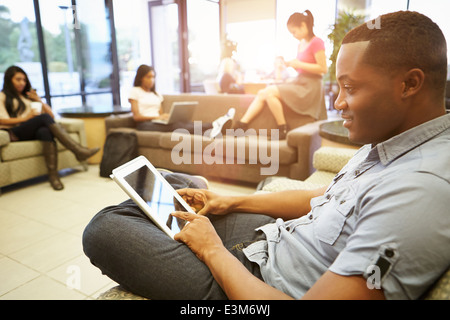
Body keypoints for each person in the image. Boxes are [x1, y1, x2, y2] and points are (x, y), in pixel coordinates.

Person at [83, 11, 450, 300]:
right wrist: (232, 201)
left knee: (104, 229)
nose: (338, 104)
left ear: (410, 84)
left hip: (254, 280)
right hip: (272, 237)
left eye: (350, 88)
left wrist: (213, 251)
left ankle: (181, 203)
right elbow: (326, 197)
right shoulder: (389, 141)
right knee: (171, 180)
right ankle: (192, 190)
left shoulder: (420, 192)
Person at [0, 66, 99, 190]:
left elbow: (51, 115)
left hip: (30, 131)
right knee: (43, 118)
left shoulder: (26, 97)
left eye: (24, 80)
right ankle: (78, 151)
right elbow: (2, 120)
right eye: (18, 79)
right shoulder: (2, 96)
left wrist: (38, 100)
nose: (22, 83)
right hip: (14, 132)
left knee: (45, 131)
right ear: (9, 80)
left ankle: (53, 177)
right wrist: (26, 118)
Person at [234, 10, 328, 139]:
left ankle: (282, 128)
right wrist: (291, 65)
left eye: (294, 32)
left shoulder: (317, 42)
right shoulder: (300, 44)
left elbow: (323, 69)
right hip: (300, 80)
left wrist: (299, 64)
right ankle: (242, 125)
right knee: (263, 93)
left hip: (311, 86)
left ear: (303, 25)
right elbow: (303, 68)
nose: (293, 35)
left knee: (269, 92)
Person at [129, 64, 234, 139]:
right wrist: (157, 117)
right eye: (148, 77)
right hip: (144, 125)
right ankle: (215, 124)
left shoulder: (156, 94)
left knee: (183, 123)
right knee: (175, 126)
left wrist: (164, 117)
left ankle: (212, 130)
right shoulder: (135, 92)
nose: (152, 80)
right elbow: (136, 117)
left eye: (153, 77)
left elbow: (160, 114)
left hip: (157, 122)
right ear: (141, 78)